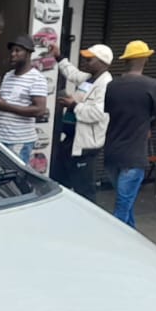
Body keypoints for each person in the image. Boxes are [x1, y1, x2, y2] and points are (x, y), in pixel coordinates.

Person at [102, 39, 156, 229]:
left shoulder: (112, 85)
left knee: (125, 202)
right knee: (122, 208)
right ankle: (117, 244)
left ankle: (134, 240)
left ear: (126, 60)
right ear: (145, 59)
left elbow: (109, 112)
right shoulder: (152, 85)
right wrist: (148, 125)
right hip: (134, 156)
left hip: (112, 154)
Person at [53, 43, 113, 200]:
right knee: (60, 182)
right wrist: (59, 57)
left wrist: (73, 105)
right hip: (71, 141)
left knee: (84, 189)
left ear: (102, 62)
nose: (86, 62)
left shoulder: (105, 85)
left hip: (85, 145)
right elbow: (72, 74)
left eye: (90, 59)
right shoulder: (89, 78)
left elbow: (97, 113)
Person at [0, 34, 49, 163]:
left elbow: (39, 110)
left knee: (14, 180)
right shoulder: (8, 76)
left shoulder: (37, 78)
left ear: (28, 53)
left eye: (17, 51)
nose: (12, 54)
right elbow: (4, 104)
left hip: (18, 141)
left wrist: (6, 107)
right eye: (12, 51)